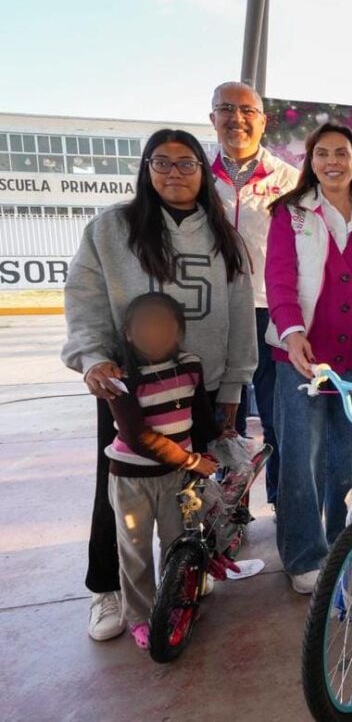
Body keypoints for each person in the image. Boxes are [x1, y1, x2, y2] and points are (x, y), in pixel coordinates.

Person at [62, 128, 256, 642]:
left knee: (188, 490)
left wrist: (233, 386)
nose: (174, 172)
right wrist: (93, 359)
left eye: (186, 163)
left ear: (203, 171)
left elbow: (239, 315)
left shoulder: (224, 237)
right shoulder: (111, 229)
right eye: (162, 162)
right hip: (126, 388)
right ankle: (108, 588)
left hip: (197, 385)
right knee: (120, 490)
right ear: (146, 169)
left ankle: (183, 572)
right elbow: (83, 299)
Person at [265, 122, 352, 594]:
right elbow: (278, 279)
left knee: (345, 458)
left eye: (341, 153)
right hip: (298, 358)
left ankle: (338, 539)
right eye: (322, 153)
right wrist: (292, 333)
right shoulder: (291, 213)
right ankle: (303, 555)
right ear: (311, 162)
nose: (332, 161)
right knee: (301, 458)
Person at [104, 293, 222, 649]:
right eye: (145, 326)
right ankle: (141, 616)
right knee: (135, 553)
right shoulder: (119, 377)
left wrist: (214, 440)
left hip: (177, 480)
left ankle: (175, 604)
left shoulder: (190, 365)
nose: (155, 333)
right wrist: (191, 461)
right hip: (131, 479)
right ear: (128, 333)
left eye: (164, 326)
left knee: (177, 544)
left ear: (178, 332)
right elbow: (138, 438)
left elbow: (199, 416)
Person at [209, 81, 300, 505]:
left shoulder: (290, 181)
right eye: (227, 109)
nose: (237, 119)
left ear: (263, 121)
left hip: (271, 313)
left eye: (248, 111)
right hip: (214, 315)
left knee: (279, 417)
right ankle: (232, 508)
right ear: (212, 118)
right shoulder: (196, 177)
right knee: (223, 420)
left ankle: (283, 502)